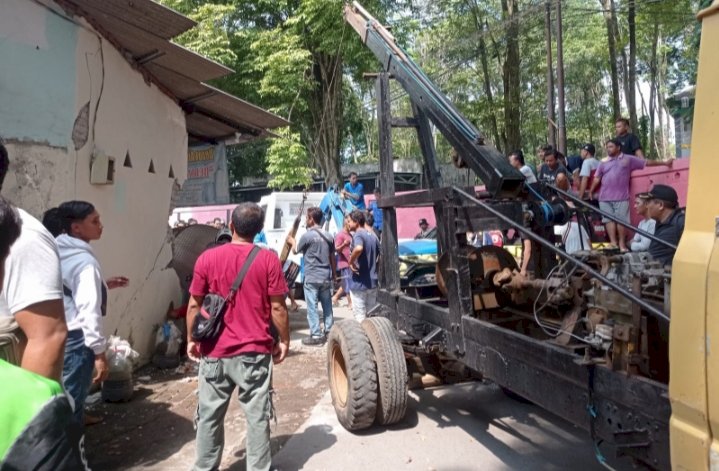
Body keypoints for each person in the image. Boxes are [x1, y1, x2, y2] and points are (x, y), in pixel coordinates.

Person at [187, 202, 290, 471]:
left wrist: (191, 339)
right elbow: (278, 306)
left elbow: (194, 305)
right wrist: (284, 340)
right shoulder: (267, 259)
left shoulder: (207, 259)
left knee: (209, 416)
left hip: (214, 352)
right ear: (259, 230)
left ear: (230, 226)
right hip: (254, 352)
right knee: (257, 417)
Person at [53, 201, 128, 426]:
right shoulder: (84, 263)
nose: (100, 226)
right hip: (78, 337)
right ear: (76, 228)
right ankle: (72, 451)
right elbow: (88, 308)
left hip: (59, 329)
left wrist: (102, 285)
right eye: (94, 221)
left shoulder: (57, 249)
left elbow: (69, 289)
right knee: (73, 396)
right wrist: (99, 352)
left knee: (65, 393)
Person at [589, 139, 669, 251]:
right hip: (604, 197)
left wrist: (664, 163)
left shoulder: (628, 159)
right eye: (607, 147)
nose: (608, 149)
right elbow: (597, 178)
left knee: (622, 221)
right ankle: (613, 243)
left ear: (618, 147)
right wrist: (591, 191)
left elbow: (646, 163)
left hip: (621, 196)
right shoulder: (603, 162)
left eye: (611, 146)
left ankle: (622, 244)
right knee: (607, 220)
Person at [287, 207, 336, 346]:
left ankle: (316, 335)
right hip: (326, 276)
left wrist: (292, 241)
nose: (305, 220)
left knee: (312, 307)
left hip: (312, 277)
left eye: (307, 218)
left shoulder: (307, 236)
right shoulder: (329, 236)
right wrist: (335, 274)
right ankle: (329, 331)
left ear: (311, 219)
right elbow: (332, 257)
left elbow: (296, 251)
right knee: (327, 306)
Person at [347, 210, 380, 322]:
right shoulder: (373, 236)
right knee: (372, 316)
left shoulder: (358, 234)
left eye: (349, 221)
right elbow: (380, 256)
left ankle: (363, 339)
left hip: (359, 283)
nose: (348, 224)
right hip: (372, 283)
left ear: (356, 222)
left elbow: (359, 248)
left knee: (360, 317)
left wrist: (351, 262)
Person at [644, 185, 684, 266]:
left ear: (660, 205)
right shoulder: (666, 221)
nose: (647, 206)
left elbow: (649, 260)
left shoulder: (670, 229)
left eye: (648, 202)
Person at [332, 215, 354, 310]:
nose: (351, 224)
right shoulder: (340, 235)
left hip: (351, 263)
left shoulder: (350, 235)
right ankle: (350, 303)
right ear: (346, 223)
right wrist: (344, 244)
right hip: (344, 264)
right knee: (348, 284)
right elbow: (336, 249)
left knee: (346, 283)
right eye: (349, 222)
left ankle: (335, 297)